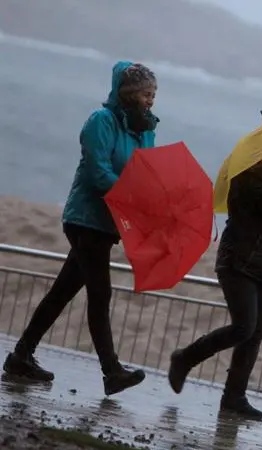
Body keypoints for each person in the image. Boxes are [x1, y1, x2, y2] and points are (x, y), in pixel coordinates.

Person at [2, 61, 159, 396]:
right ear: (129, 93)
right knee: (100, 293)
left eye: (154, 95)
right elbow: (97, 171)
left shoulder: (146, 130)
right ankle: (111, 372)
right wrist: (129, 195)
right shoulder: (100, 121)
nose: (151, 101)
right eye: (147, 93)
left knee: (62, 292)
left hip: (109, 224)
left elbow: (145, 174)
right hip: (85, 217)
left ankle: (21, 355)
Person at [167, 141, 262, 421]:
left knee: (254, 336)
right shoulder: (247, 181)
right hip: (239, 263)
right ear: (259, 156)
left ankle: (234, 396)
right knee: (243, 327)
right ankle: (185, 358)